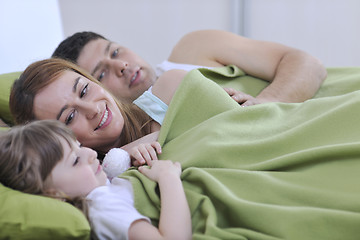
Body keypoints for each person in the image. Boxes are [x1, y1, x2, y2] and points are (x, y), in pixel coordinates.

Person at [0, 119, 191, 240]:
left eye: (80, 146)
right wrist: (168, 178)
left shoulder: (101, 186)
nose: (91, 153)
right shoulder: (102, 207)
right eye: (75, 160)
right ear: (53, 193)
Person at [52, 29, 327, 106]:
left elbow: (309, 65)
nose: (121, 65)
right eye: (101, 73)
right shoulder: (143, 145)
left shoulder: (193, 48)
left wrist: (265, 104)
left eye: (115, 51)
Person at [9, 58, 184, 165]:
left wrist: (120, 154)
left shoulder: (168, 89)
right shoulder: (105, 187)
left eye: (84, 91)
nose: (92, 109)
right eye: (70, 117)